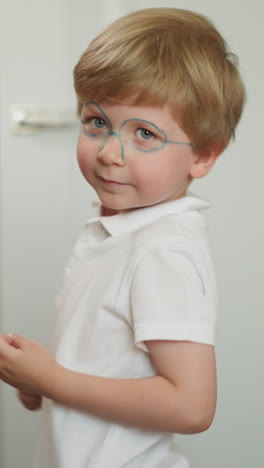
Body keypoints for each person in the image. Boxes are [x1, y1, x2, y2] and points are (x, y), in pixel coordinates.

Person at [0, 7, 245, 468]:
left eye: (145, 134)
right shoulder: (118, 232)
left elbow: (191, 407)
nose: (111, 153)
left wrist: (53, 380)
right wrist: (41, 383)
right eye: (97, 122)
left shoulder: (162, 249)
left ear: (204, 156)